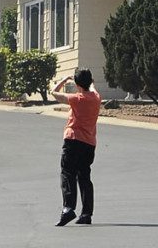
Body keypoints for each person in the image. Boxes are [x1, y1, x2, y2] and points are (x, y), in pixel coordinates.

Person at [52, 68, 101, 227]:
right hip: (89, 143)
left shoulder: (76, 98)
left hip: (73, 140)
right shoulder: (96, 98)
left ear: (78, 84)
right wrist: (88, 82)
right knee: (84, 176)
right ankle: (86, 213)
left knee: (67, 173)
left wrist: (64, 80)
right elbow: (92, 87)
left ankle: (68, 208)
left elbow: (54, 93)